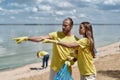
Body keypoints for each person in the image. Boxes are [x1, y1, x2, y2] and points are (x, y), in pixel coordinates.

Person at [13, 17, 78, 80]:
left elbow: (79, 55)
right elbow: (41, 38)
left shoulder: (75, 39)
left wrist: (72, 61)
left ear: (71, 26)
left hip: (65, 69)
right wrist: (26, 38)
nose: (63, 27)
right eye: (62, 25)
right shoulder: (56, 34)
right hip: (54, 67)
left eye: (65, 25)